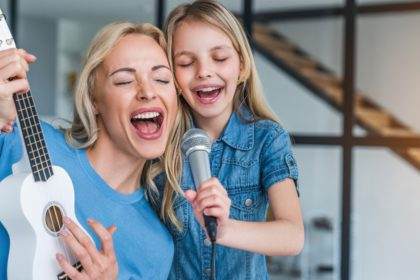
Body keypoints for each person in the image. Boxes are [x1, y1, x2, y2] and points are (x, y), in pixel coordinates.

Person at [0, 21, 183, 279]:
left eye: (162, 79)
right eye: (124, 81)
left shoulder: (155, 248)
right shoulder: (23, 139)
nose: (148, 91)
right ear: (94, 99)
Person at [159, 0, 305, 279]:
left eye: (220, 58)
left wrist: (226, 230)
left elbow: (292, 236)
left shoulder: (267, 138)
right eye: (186, 62)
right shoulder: (160, 145)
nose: (204, 71)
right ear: (173, 76)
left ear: (242, 67)